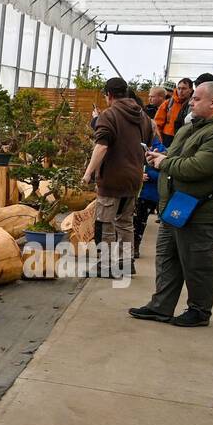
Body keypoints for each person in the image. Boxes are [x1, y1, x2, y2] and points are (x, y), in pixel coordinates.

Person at [130, 82, 213, 328]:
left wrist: (164, 164)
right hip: (177, 204)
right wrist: (161, 157)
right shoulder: (195, 125)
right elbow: (178, 155)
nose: (190, 102)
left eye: (197, 99)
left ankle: (199, 310)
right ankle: (161, 305)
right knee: (167, 255)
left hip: (202, 209)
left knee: (196, 261)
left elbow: (200, 167)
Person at [84, 77, 155, 277]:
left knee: (104, 222)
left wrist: (88, 172)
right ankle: (126, 262)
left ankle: (104, 265)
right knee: (125, 222)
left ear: (109, 95)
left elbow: (102, 146)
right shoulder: (143, 117)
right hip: (134, 177)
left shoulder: (110, 114)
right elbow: (145, 142)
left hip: (113, 177)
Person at [133, 140, 166, 258]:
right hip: (131, 190)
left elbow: (164, 171)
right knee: (129, 221)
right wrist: (136, 174)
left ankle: (134, 246)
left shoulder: (159, 148)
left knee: (139, 222)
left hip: (148, 194)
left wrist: (148, 174)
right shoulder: (132, 141)